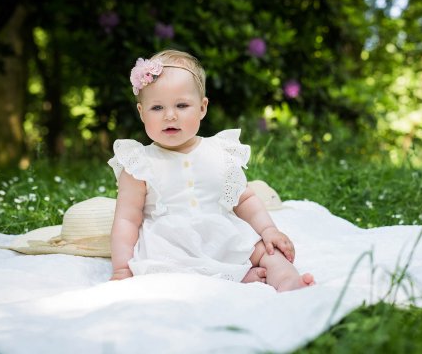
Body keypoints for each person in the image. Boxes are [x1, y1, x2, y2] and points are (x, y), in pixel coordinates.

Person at [108, 49, 315, 291]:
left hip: (221, 233)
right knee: (168, 274)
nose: (170, 116)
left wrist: (268, 230)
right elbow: (126, 219)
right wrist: (122, 269)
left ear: (202, 108)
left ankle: (288, 281)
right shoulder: (140, 163)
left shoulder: (220, 152)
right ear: (142, 113)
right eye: (157, 108)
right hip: (172, 245)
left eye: (182, 105)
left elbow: (245, 198)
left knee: (267, 252)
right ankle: (235, 277)